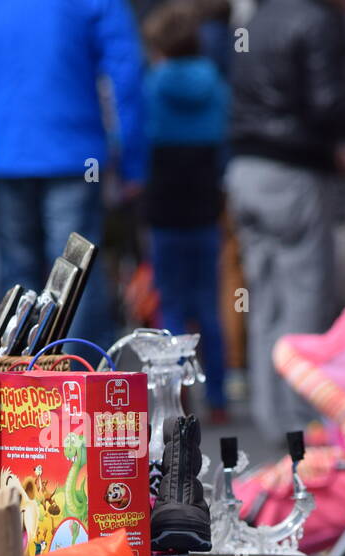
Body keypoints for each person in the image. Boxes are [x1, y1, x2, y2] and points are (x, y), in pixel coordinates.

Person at [227, 0, 345, 439]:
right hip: (292, 174)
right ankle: (300, 418)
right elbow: (326, 102)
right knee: (305, 295)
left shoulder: (261, 17)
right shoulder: (315, 19)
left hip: (245, 169)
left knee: (265, 298)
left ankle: (272, 415)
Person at [0, 0, 146, 351]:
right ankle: (83, 386)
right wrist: (132, 159)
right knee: (77, 278)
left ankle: (20, 388)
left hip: (6, 153)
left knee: (20, 283)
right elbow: (126, 70)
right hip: (74, 154)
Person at [142, 1, 230, 420]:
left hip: (164, 208)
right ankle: (220, 399)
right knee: (209, 306)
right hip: (205, 207)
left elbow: (136, 143)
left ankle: (175, 393)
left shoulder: (152, 86)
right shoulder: (215, 83)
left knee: (172, 303)